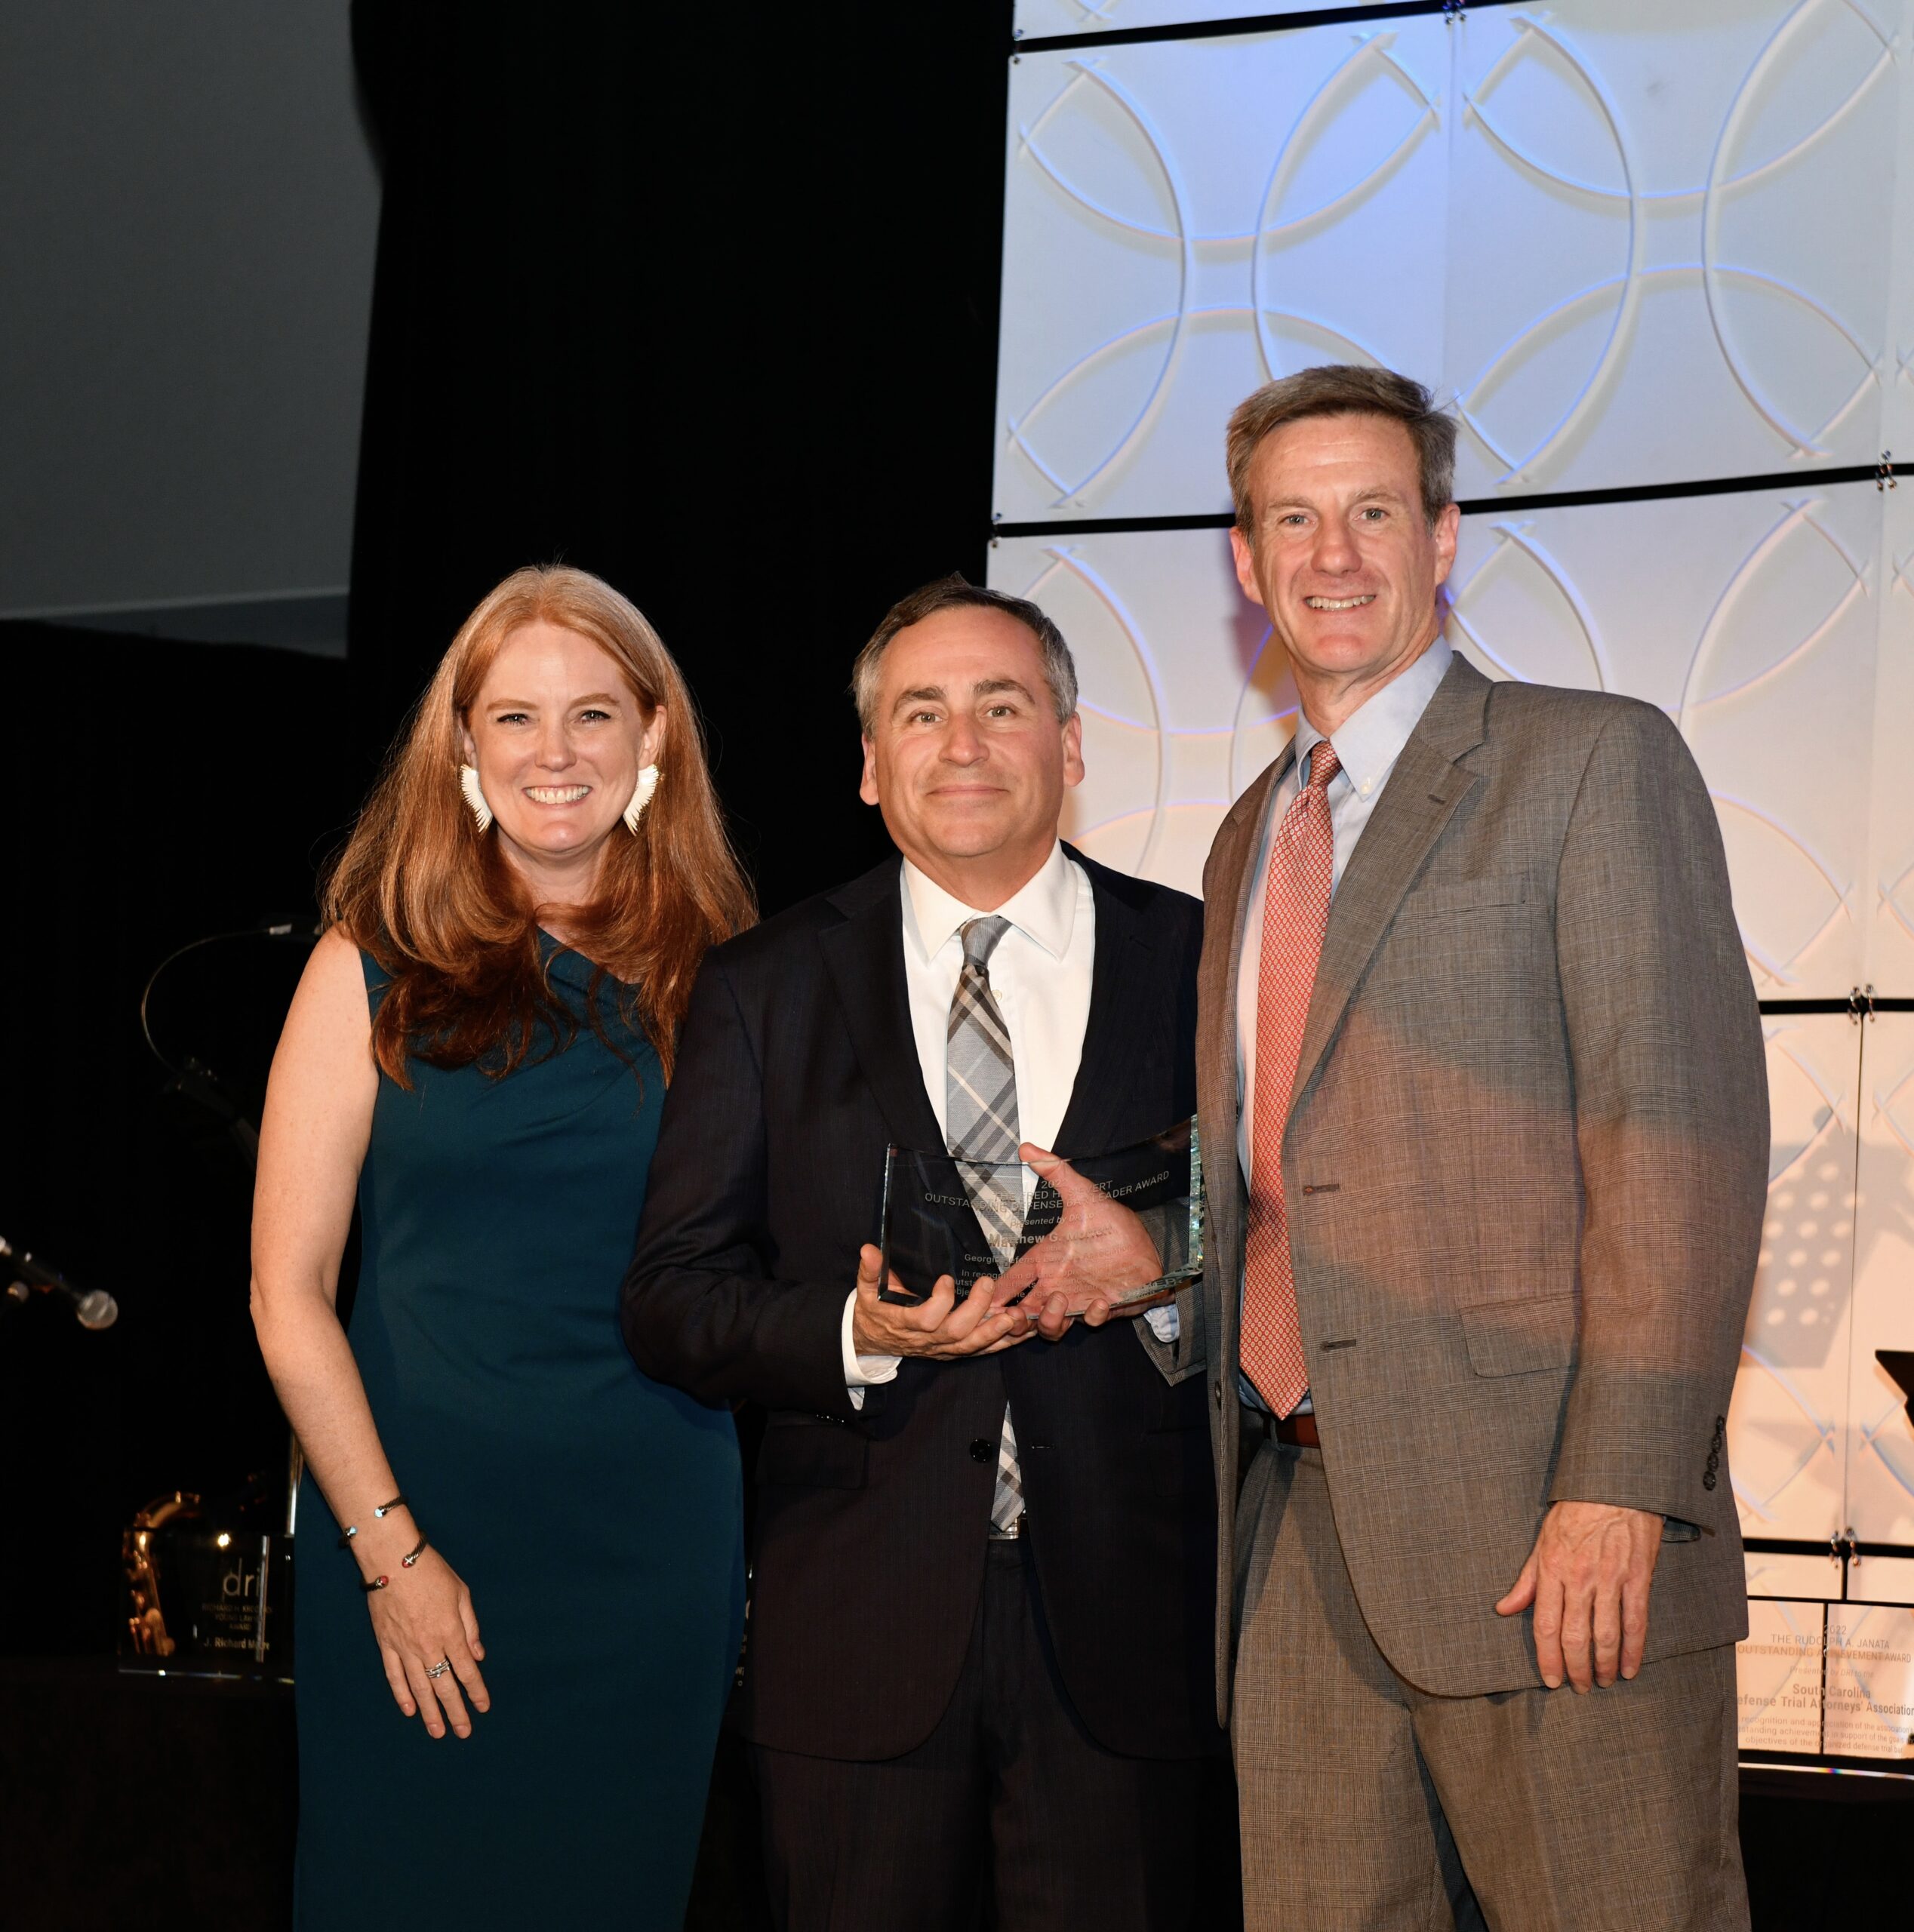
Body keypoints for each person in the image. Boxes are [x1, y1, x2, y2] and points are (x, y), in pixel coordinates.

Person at [1189, 365, 1768, 1927]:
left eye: (1372, 513)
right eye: (1292, 520)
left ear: (1442, 538)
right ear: (1244, 559)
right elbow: (1289, 1164)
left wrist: (1620, 1489)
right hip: (1293, 1531)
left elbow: (1679, 1146)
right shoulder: (1247, 833)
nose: (1332, 555)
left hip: (1552, 1541)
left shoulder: (1590, 762)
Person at [620, 577, 1232, 1932]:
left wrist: (1162, 1256)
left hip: (1131, 1641)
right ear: (868, 764)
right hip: (855, 1645)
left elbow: (1293, 1227)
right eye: (921, 712)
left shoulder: (1198, 960)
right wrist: (855, 1335)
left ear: (1070, 745)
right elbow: (670, 1300)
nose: (962, 744)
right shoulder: (763, 985)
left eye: (1001, 707)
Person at [250, 565, 755, 1929]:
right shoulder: (366, 963)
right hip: (414, 1532)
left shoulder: (728, 974)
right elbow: (286, 1296)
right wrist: (391, 1555)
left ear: (653, 736)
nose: (554, 753)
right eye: (515, 717)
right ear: (464, 745)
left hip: (651, 1551)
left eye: (592, 714)